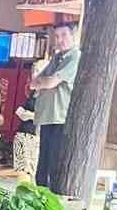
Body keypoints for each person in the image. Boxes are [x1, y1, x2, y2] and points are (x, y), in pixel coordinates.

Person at [28, 21, 80, 192]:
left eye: (64, 35)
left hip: (61, 118)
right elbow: (33, 83)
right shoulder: (57, 58)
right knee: (42, 167)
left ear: (73, 35)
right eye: (56, 36)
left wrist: (44, 82)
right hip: (47, 117)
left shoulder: (74, 57)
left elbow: (50, 82)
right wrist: (43, 82)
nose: (60, 40)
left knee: (54, 167)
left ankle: (52, 201)